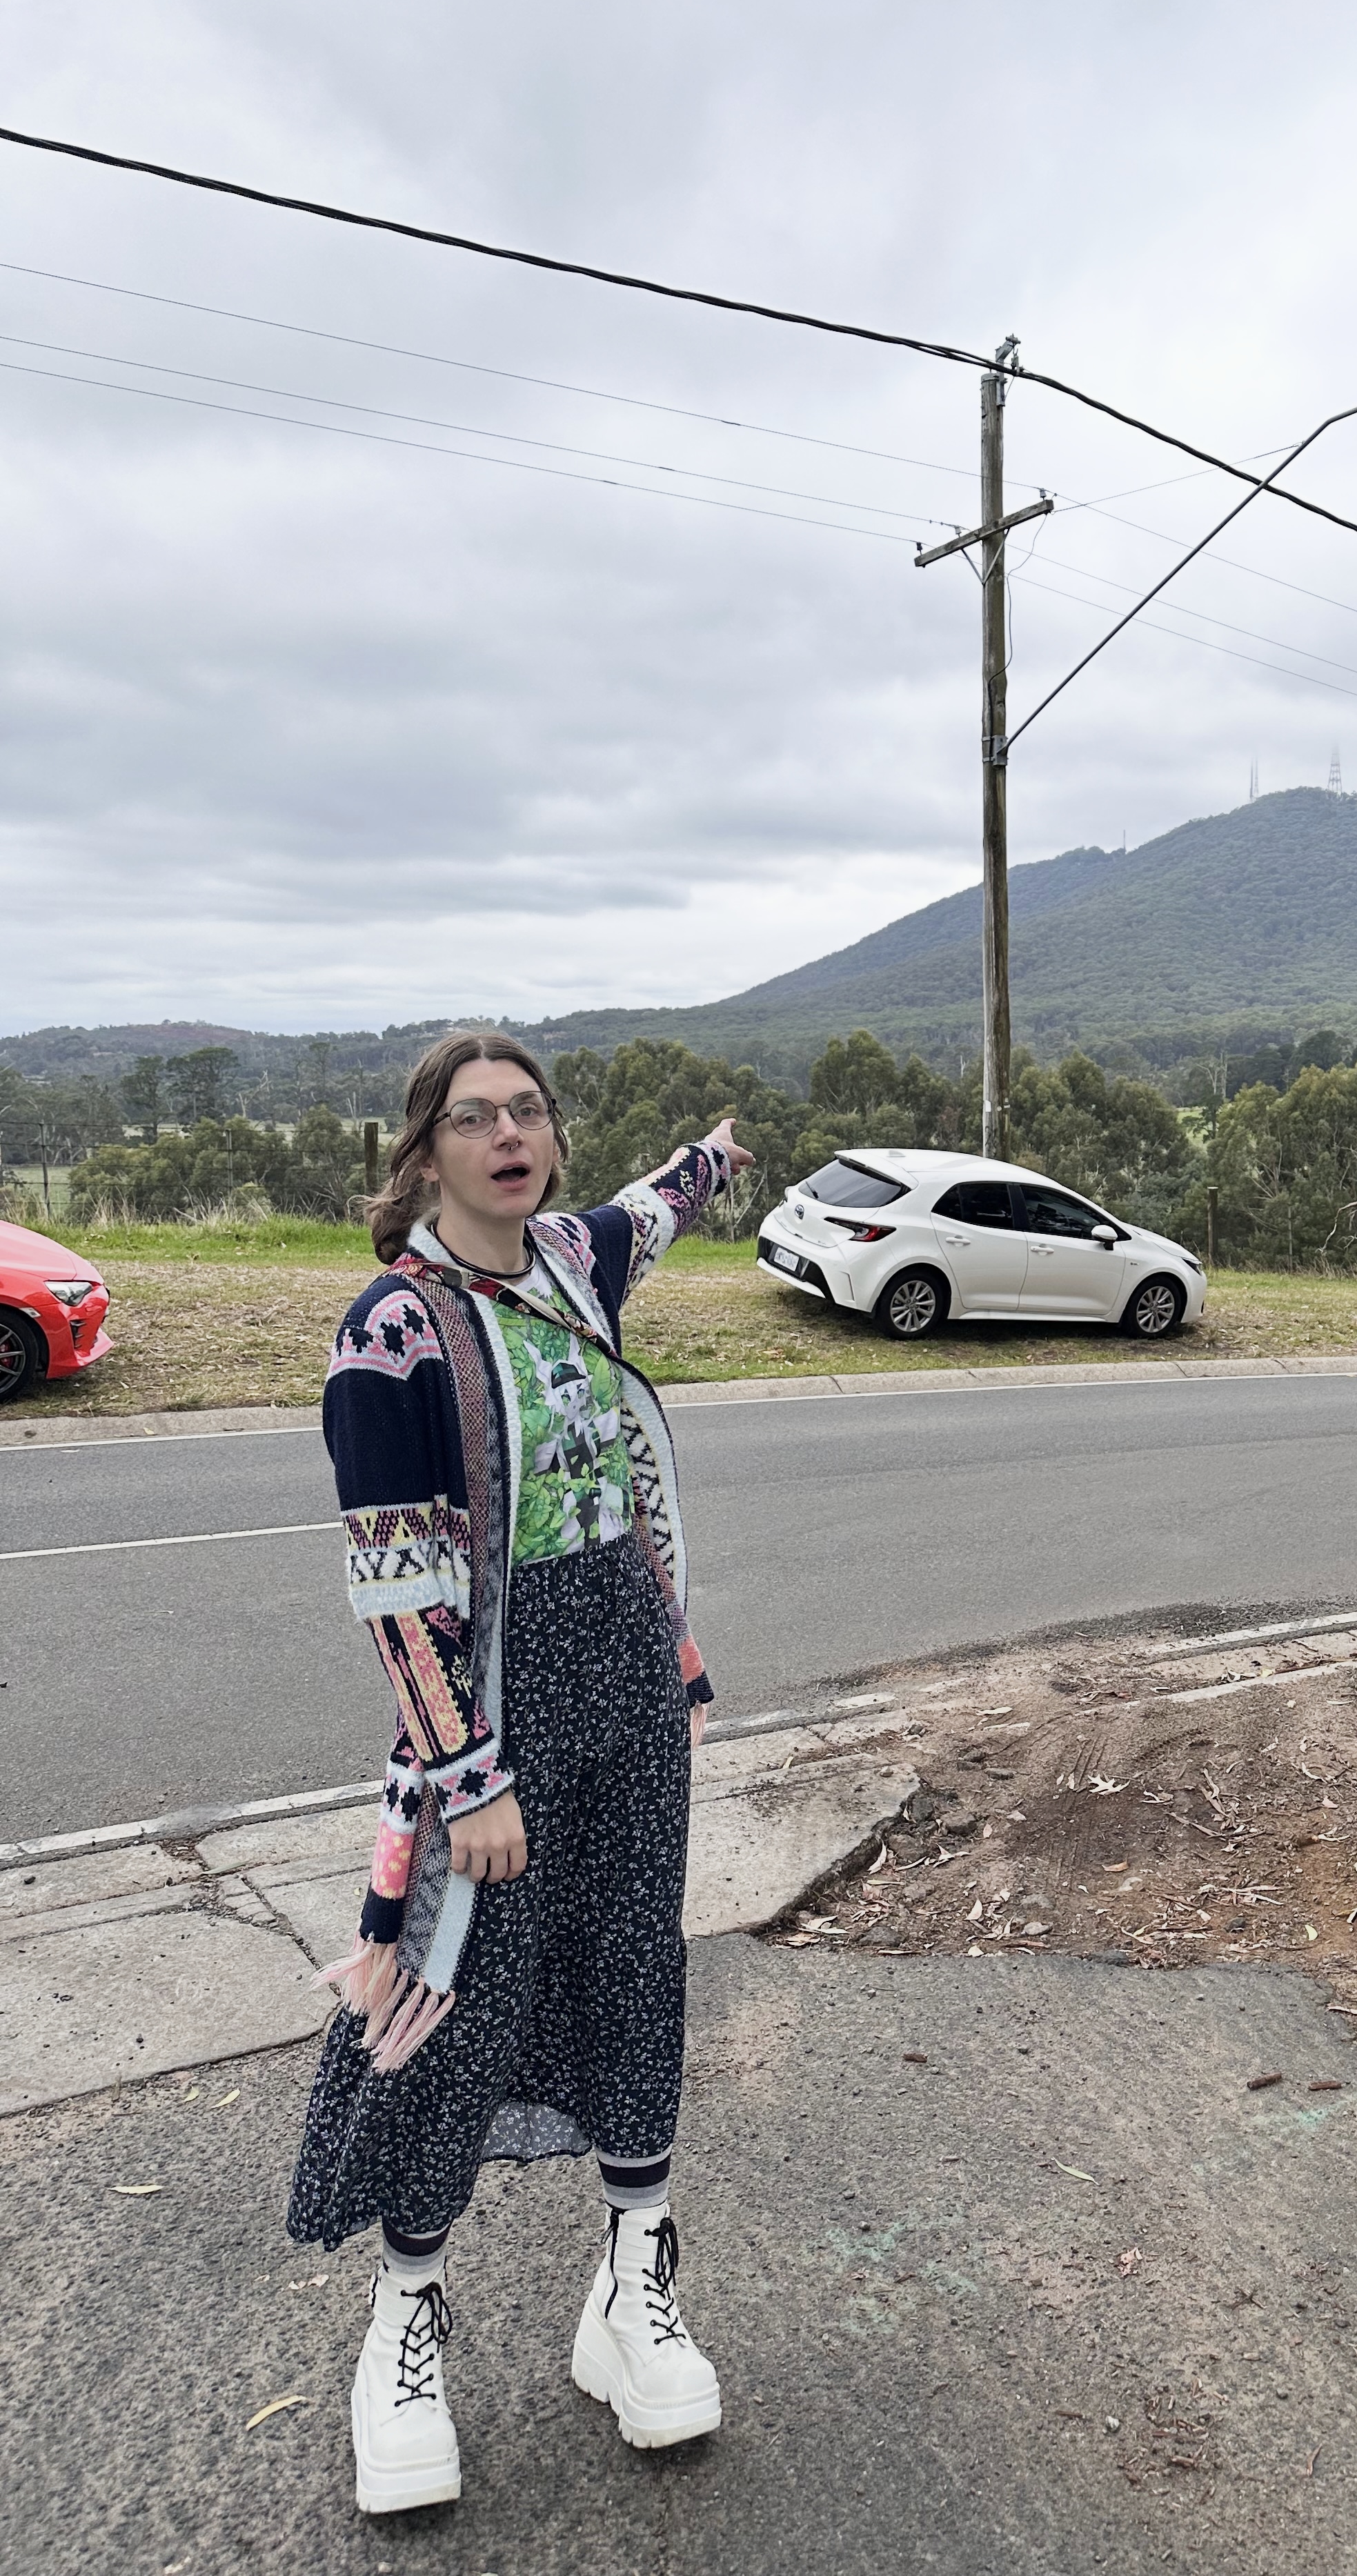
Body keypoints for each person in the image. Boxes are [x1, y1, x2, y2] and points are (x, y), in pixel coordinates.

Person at [286, 1028, 755, 2515]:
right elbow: (397, 1586)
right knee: (459, 1997)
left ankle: (634, 2292)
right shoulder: (395, 1334)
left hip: (633, 1678)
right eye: (475, 1117)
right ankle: (404, 2320)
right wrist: (467, 1773)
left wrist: (713, 1157)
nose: (509, 1136)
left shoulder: (569, 1261)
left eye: (528, 1113)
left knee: (634, 1965)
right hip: (497, 1709)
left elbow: (651, 1210)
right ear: (425, 1150)